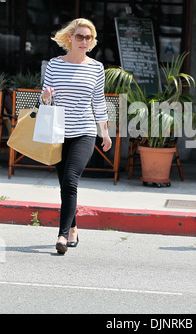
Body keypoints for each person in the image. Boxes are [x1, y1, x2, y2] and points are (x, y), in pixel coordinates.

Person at [41, 18, 112, 254]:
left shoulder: (96, 68)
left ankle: (61, 236)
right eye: (80, 36)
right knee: (64, 184)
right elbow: (45, 97)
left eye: (88, 37)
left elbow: (98, 101)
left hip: (84, 131)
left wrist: (105, 132)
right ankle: (73, 227)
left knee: (71, 180)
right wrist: (47, 96)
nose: (84, 41)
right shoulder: (54, 64)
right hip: (58, 132)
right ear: (70, 37)